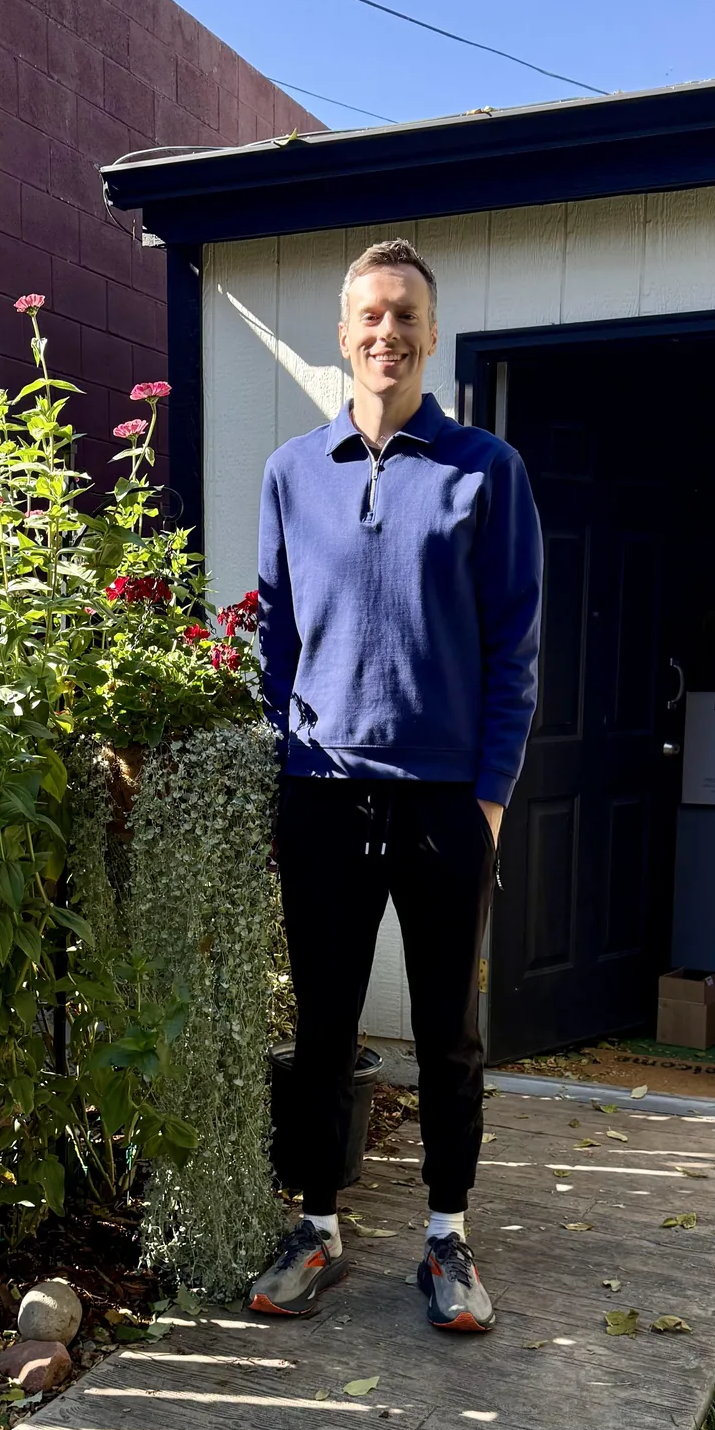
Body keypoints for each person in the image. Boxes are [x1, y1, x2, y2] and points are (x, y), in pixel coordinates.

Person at [248, 239, 543, 1331]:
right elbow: (272, 638)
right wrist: (286, 762)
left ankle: (448, 1238)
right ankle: (316, 1225)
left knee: (448, 1030)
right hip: (323, 793)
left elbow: (514, 644)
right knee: (322, 1028)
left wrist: (491, 798)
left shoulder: (485, 471)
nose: (387, 332)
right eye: (369, 315)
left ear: (431, 334)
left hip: (443, 804)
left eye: (406, 315)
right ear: (342, 335)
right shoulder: (290, 472)